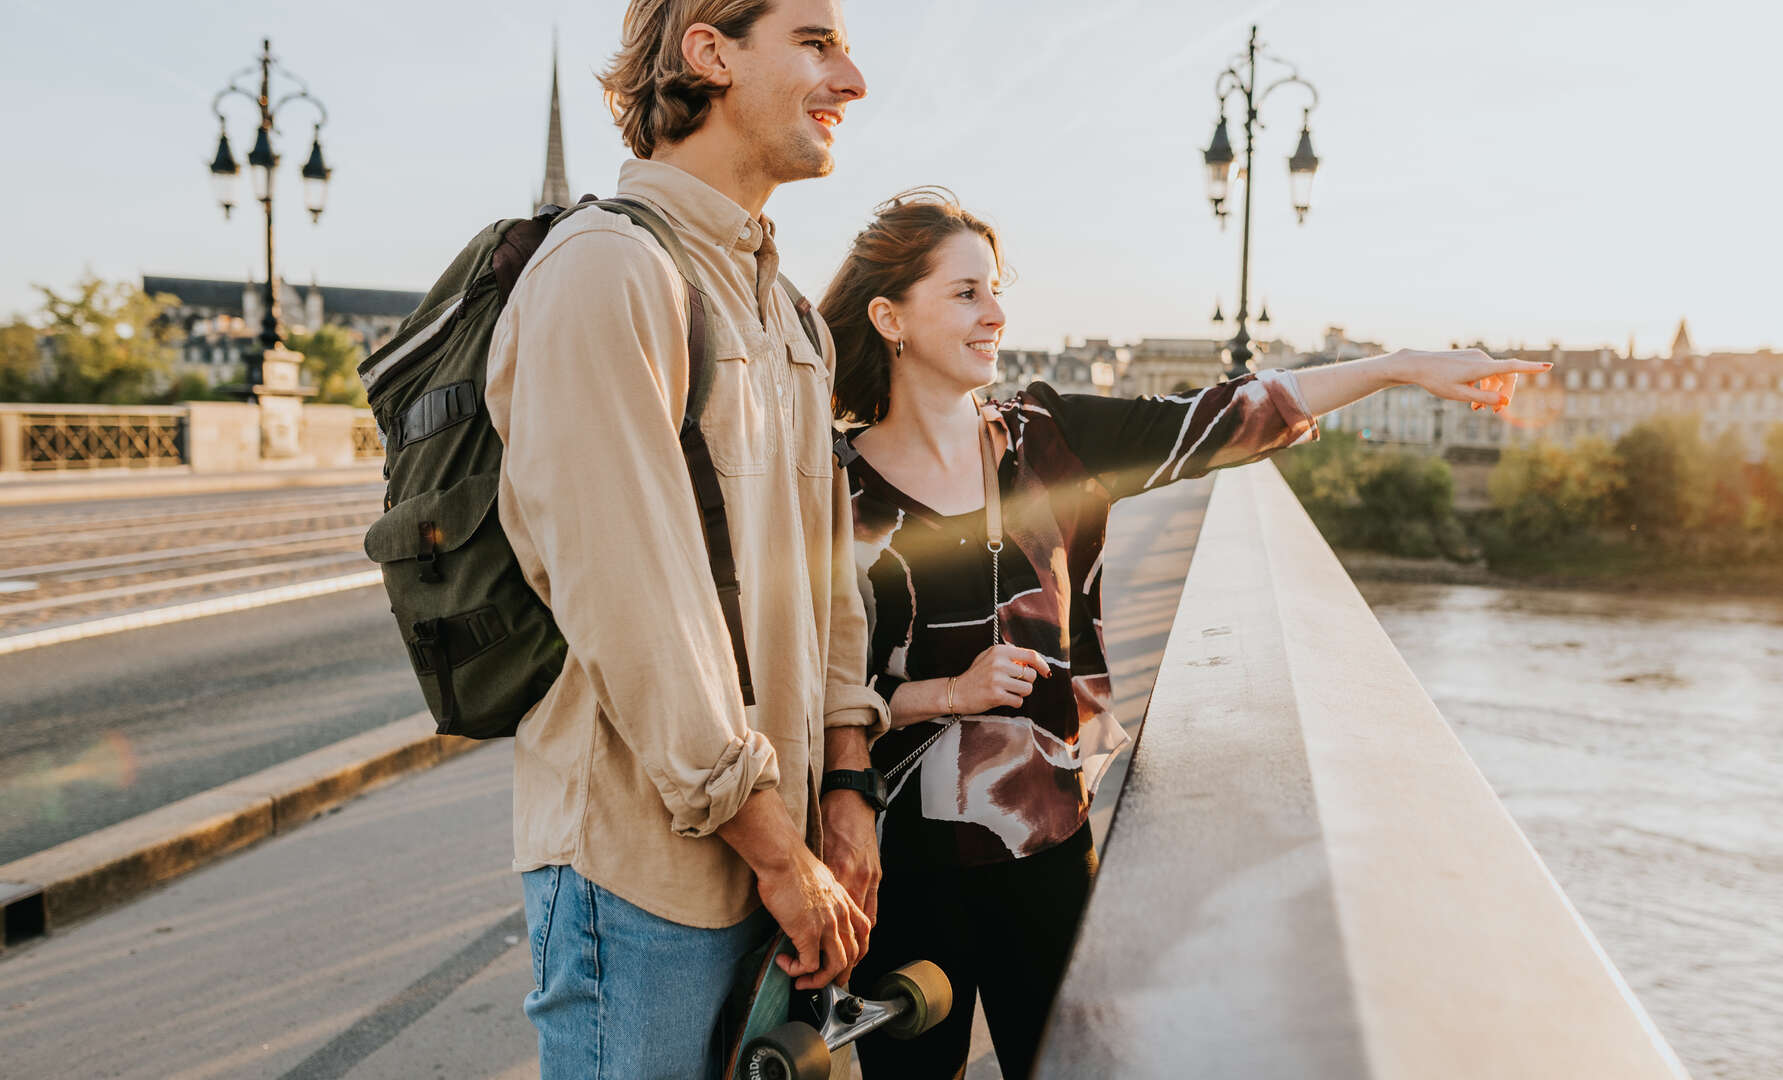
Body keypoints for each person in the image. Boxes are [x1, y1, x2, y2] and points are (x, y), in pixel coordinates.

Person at [818, 188, 1554, 1079]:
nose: (996, 313)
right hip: (906, 867)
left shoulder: (1049, 439)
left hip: (1049, 846)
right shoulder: (832, 490)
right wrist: (945, 694)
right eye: (966, 292)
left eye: (996, 289)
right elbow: (811, 689)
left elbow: (1232, 414)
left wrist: (1396, 365)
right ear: (891, 317)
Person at [483, 1, 890, 1075]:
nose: (852, 79)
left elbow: (827, 588)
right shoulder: (606, 272)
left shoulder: (792, 314)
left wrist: (847, 790)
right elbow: (635, 605)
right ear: (708, 52)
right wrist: (773, 846)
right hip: (647, 881)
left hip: (787, 851)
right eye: (815, 42)